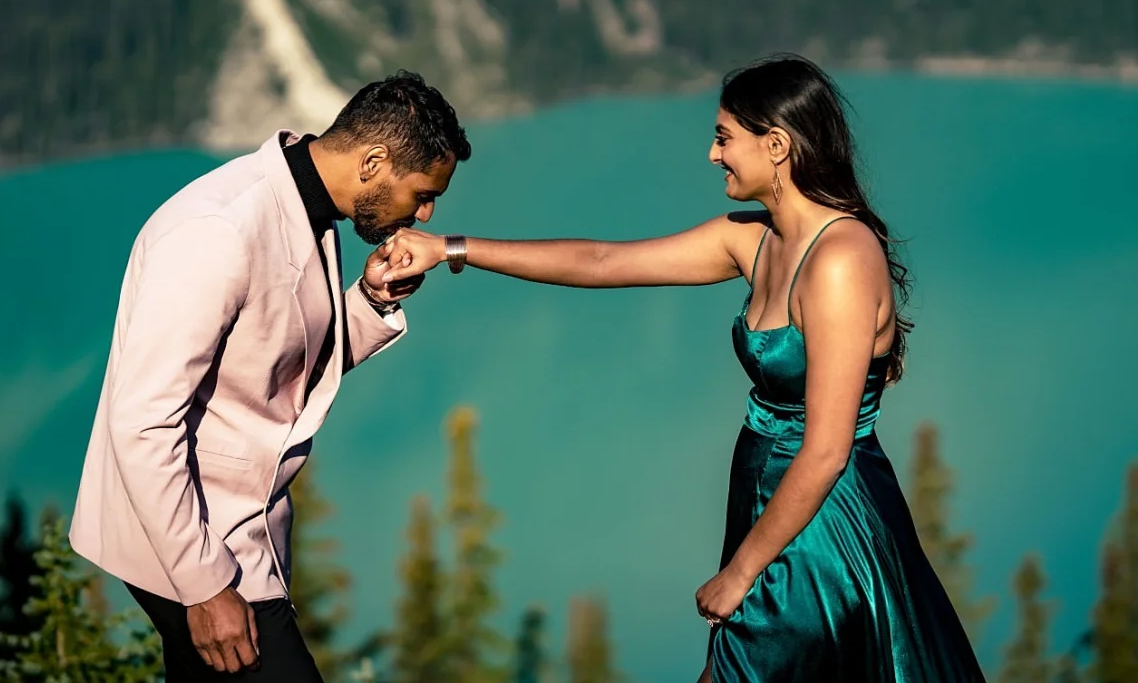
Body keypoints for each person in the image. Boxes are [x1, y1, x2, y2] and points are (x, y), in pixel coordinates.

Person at [379, 54, 986, 682]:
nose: (712, 154)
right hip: (767, 505)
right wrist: (450, 249)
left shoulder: (839, 260)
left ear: (776, 145)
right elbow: (601, 262)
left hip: (822, 526)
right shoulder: (754, 240)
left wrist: (742, 572)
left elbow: (828, 450)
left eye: (725, 138)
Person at [69, 71, 470, 680]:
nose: (426, 212)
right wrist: (203, 586)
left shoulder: (305, 209)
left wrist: (371, 299)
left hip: (234, 527)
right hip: (195, 540)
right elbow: (143, 421)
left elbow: (282, 365)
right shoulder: (219, 232)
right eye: (420, 193)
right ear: (374, 162)